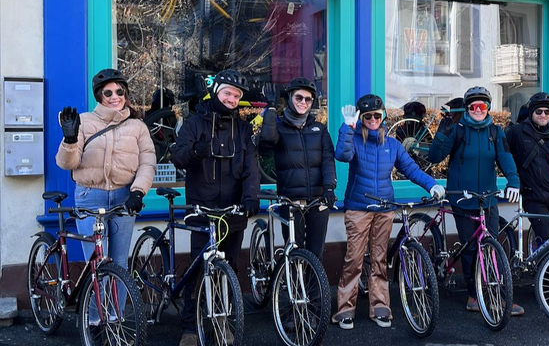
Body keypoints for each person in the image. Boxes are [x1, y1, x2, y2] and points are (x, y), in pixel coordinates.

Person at [332, 94, 445, 330]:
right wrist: (347, 126)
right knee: (354, 260)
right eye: (367, 116)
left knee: (379, 260)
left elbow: (411, 169)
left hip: (384, 208)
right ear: (361, 119)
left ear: (383, 116)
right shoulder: (353, 138)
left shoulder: (392, 145)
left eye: (377, 115)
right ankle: (345, 309)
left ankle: (380, 306)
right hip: (359, 208)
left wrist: (432, 184)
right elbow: (342, 155)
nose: (373, 119)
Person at [172, 69, 260, 346]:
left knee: (229, 268)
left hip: (233, 211)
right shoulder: (194, 123)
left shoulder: (244, 130)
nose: (232, 99)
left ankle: (222, 322)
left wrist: (251, 198)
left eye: (236, 96)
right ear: (215, 92)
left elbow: (251, 170)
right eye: (227, 93)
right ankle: (189, 327)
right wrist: (196, 149)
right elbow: (177, 158)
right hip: (203, 209)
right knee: (199, 269)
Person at [428, 86, 524, 316]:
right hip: (462, 198)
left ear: (489, 108)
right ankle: (473, 294)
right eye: (473, 107)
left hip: (488, 199)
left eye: (483, 106)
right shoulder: (458, 130)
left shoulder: (495, 131)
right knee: (471, 249)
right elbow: (434, 157)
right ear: (467, 109)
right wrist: (442, 133)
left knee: (492, 249)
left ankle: (499, 295)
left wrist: (513, 181)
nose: (478, 110)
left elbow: (505, 158)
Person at [56, 68, 156, 274]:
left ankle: (117, 308)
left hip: (124, 197)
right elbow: (67, 164)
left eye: (120, 92)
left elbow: (148, 163)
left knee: (120, 265)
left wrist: (138, 191)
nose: (115, 97)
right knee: (96, 266)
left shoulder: (137, 126)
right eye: (108, 93)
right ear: (99, 96)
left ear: (126, 94)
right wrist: (70, 140)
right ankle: (94, 308)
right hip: (90, 196)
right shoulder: (83, 121)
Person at [258, 77, 337, 260]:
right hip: (291, 200)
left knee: (316, 254)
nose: (303, 102)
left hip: (318, 200)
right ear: (290, 98)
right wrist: (270, 108)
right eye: (299, 98)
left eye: (308, 99)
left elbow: (327, 161)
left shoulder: (319, 129)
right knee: (294, 251)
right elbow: (266, 144)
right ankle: (292, 286)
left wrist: (329, 187)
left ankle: (315, 289)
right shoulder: (278, 128)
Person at [505, 92, 549, 246]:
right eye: (539, 111)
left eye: (547, 112)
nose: (543, 115)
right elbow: (503, 157)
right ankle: (544, 270)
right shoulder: (517, 132)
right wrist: (512, 180)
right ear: (531, 112)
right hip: (533, 197)